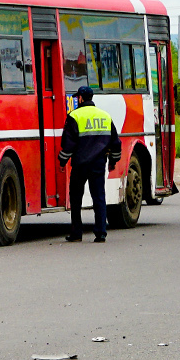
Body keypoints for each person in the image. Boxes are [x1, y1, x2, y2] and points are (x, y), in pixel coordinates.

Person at [59, 84, 119, 242]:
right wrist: (113, 161)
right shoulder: (105, 116)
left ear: (80, 98)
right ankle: (101, 233)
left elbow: (68, 144)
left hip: (80, 164)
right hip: (99, 164)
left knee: (76, 198)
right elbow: (115, 143)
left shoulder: (75, 116)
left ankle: (76, 233)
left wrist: (62, 161)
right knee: (99, 197)